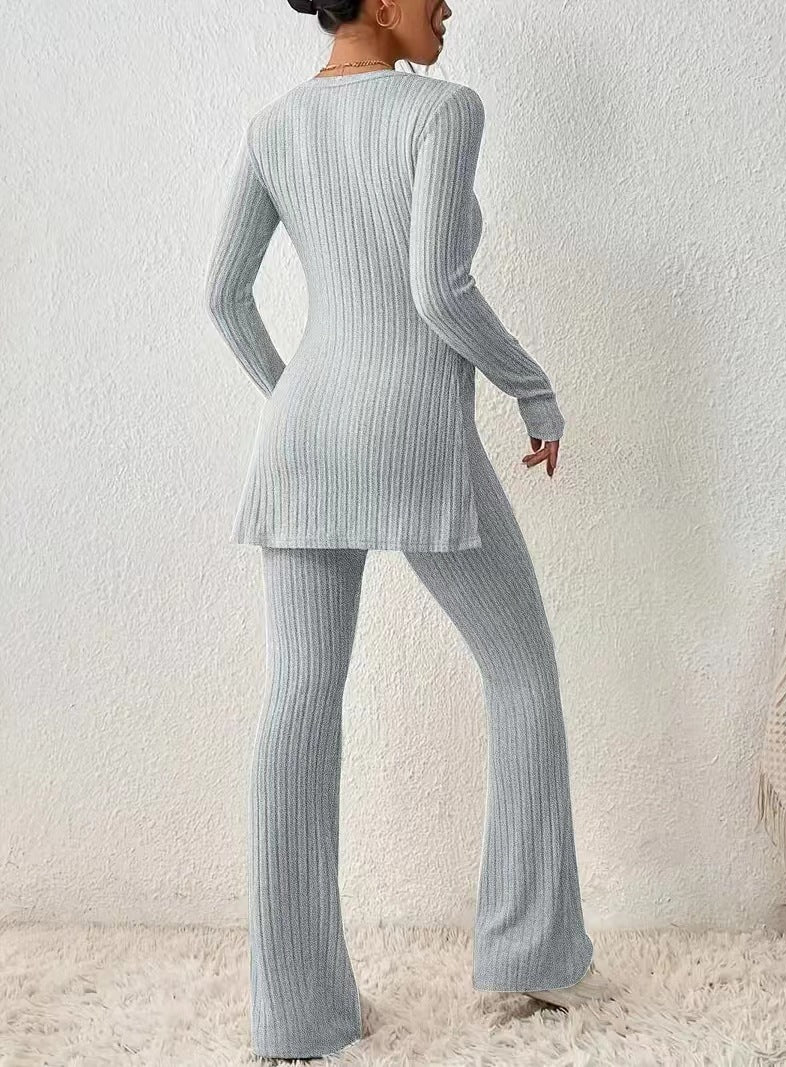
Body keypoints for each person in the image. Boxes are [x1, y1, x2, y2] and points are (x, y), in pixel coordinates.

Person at [204, 0, 610, 1059]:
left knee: (297, 702)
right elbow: (437, 286)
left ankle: (296, 1014)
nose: (446, 5)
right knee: (521, 672)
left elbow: (223, 297)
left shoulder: (273, 126)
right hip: (416, 429)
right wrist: (531, 388)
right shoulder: (442, 111)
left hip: (301, 438)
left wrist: (300, 400)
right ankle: (528, 951)